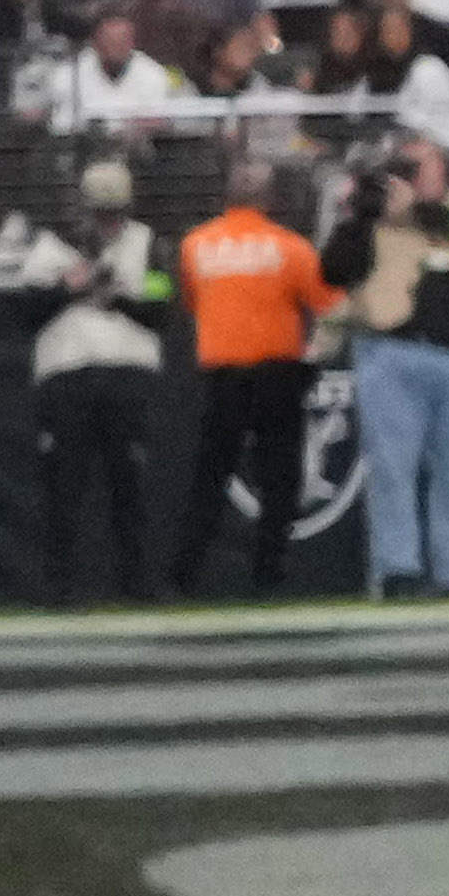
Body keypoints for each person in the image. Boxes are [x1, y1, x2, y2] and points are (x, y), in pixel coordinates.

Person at [343, 170, 449, 599]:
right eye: (404, 170)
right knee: (393, 468)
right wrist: (362, 212)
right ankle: (398, 572)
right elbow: (337, 265)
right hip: (396, 353)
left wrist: (413, 211)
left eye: (422, 167)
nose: (413, 177)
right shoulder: (372, 218)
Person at [172, 169, 332, 595]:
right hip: (277, 373)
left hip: (222, 375)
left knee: (210, 477)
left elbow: (192, 303)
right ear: (271, 199)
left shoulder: (196, 245)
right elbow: (328, 303)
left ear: (226, 195)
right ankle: (268, 575)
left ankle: (185, 574)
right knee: (280, 481)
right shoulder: (291, 247)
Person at [28, 160, 172, 603]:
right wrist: (70, 288)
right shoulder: (50, 246)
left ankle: (140, 587)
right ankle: (59, 589)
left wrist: (117, 297)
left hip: (129, 375)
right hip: (68, 376)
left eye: (115, 213)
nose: (108, 222)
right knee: (64, 486)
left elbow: (162, 307)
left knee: (130, 483)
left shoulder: (150, 245)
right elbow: (26, 311)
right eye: (100, 212)